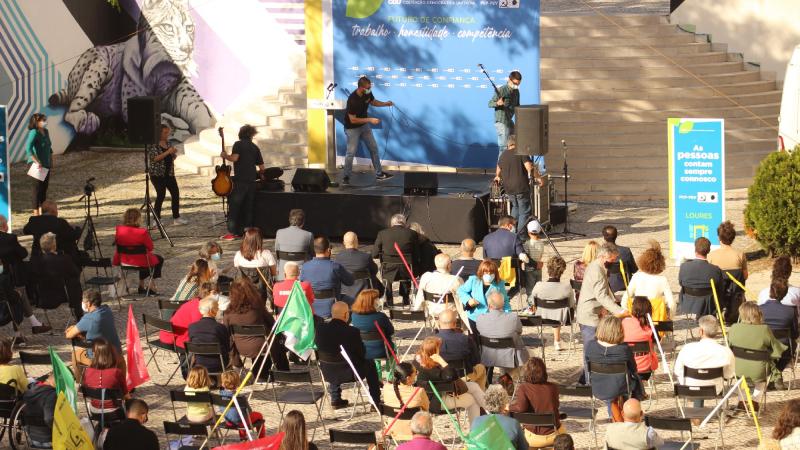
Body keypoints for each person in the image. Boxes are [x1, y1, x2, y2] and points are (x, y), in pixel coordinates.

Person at [315, 301, 381, 407]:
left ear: (332, 314)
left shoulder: (320, 329)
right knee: (370, 362)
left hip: (327, 372)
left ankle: (335, 398)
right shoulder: (352, 332)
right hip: (349, 373)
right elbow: (361, 354)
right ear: (346, 315)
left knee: (332, 359)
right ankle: (375, 401)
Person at [224, 277, 288, 377]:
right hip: (262, 346)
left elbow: (226, 334)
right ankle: (283, 371)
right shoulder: (257, 308)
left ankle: (260, 373)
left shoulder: (228, 312)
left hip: (241, 347)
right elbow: (273, 324)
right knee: (277, 336)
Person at [413, 336, 484, 425]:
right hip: (436, 402)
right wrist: (442, 361)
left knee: (474, 386)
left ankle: (491, 409)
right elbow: (452, 376)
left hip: (431, 396)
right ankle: (478, 428)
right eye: (439, 348)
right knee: (473, 400)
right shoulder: (435, 369)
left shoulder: (417, 361)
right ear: (434, 352)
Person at [728, 301, 786, 411]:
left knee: (742, 377)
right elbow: (777, 349)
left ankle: (742, 401)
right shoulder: (764, 329)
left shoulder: (734, 328)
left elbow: (729, 346)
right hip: (759, 370)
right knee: (763, 377)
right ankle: (755, 401)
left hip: (737, 368)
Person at [583, 316, 642, 422]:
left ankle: (617, 415)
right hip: (620, 387)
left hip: (598, 387)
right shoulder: (624, 349)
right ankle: (629, 414)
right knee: (633, 381)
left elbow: (587, 366)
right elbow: (634, 368)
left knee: (616, 385)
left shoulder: (591, 347)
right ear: (619, 331)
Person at [342, 76, 394, 185]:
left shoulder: (367, 93)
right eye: (368, 88)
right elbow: (353, 119)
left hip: (364, 126)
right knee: (350, 153)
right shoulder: (352, 100)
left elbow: (373, 102)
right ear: (361, 88)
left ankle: (379, 174)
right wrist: (370, 119)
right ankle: (346, 177)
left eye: (370, 87)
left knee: (374, 148)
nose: (370, 89)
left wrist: (385, 103)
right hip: (352, 128)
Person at [673, 315, 735, 406]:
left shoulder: (687, 349)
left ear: (701, 331)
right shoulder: (726, 351)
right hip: (714, 389)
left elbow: (677, 370)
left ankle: (696, 413)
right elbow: (729, 375)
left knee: (696, 381)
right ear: (716, 332)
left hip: (690, 387)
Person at [576, 242, 627, 350]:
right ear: (603, 256)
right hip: (590, 316)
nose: (613, 262)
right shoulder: (597, 271)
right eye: (612, 260)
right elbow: (601, 295)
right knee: (591, 350)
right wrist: (620, 311)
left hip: (594, 313)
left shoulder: (596, 265)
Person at [161, 282, 215, 378]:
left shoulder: (195, 302)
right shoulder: (198, 309)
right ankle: (193, 372)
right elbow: (198, 332)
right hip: (175, 339)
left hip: (171, 334)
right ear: (211, 294)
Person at [221, 124, 264, 240]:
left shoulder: (238, 144)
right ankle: (247, 232)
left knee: (234, 207)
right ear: (251, 135)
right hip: (252, 182)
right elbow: (262, 168)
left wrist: (225, 155)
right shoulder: (255, 147)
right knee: (248, 208)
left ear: (241, 133)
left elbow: (235, 158)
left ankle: (232, 233)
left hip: (241, 181)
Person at [510, 357, 565, 447]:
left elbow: (520, 408)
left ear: (527, 372)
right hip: (554, 436)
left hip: (532, 438)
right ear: (544, 371)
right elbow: (556, 405)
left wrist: (508, 407)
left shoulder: (523, 388)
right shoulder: (553, 387)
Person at [66, 289, 124, 375]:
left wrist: (73, 328)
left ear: (88, 303)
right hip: (117, 353)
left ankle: (79, 382)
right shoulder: (107, 310)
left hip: (99, 357)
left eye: (83, 301)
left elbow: (69, 335)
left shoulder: (88, 318)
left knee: (75, 354)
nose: (82, 303)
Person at [494, 135, 541, 239]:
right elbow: (530, 167)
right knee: (524, 212)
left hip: (509, 189)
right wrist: (538, 178)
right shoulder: (521, 152)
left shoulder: (503, 155)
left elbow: (498, 172)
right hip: (521, 188)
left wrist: (497, 177)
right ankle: (521, 236)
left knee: (515, 208)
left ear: (508, 144)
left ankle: (511, 234)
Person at [476, 291, 528, 384]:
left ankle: (504, 380)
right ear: (503, 304)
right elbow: (519, 331)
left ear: (489, 305)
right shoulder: (513, 317)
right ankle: (507, 380)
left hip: (487, 357)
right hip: (510, 358)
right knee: (526, 353)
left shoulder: (480, 318)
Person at [32, 232, 83, 323]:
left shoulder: (36, 261)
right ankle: (79, 316)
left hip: (43, 296)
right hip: (63, 295)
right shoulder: (64, 259)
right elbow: (75, 273)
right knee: (74, 283)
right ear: (54, 245)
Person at [457, 259, 510, 346]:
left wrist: (507, 314)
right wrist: (468, 300)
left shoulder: (500, 283)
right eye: (486, 272)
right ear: (481, 272)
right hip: (474, 317)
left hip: (491, 317)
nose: (488, 275)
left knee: (488, 342)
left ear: (495, 273)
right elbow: (461, 291)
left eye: (491, 273)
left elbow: (505, 300)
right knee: (475, 343)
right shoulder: (473, 280)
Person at [112, 208, 164, 295]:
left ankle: (141, 285)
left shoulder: (119, 230)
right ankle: (150, 286)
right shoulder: (142, 232)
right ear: (138, 219)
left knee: (144, 258)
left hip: (124, 261)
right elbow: (150, 247)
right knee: (158, 259)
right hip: (140, 261)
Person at [300, 236, 354, 318]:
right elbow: (350, 282)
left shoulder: (305, 267)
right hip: (332, 307)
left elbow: (302, 285)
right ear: (328, 250)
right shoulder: (335, 267)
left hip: (310, 307)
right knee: (353, 301)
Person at [759, 277, 797, 390]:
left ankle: (774, 374)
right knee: (792, 345)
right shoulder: (791, 310)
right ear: (784, 294)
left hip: (763, 346)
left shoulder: (759, 309)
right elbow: (795, 334)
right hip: (783, 347)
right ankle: (777, 373)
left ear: (770, 291)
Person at [530, 256, 575, 351]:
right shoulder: (567, 287)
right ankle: (557, 341)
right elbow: (571, 305)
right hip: (561, 318)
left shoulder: (539, 285)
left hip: (541, 318)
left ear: (548, 269)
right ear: (562, 272)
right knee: (558, 311)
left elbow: (532, 302)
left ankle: (556, 341)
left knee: (551, 310)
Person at [373, 214, 419, 306]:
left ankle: (389, 300)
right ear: (404, 223)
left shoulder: (382, 233)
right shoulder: (412, 234)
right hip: (406, 271)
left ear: (392, 223)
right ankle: (406, 298)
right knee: (407, 265)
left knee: (387, 273)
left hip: (388, 270)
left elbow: (374, 254)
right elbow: (416, 254)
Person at [621, 240, 675, 317]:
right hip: (656, 317)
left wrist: (629, 313)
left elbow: (625, 298)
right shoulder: (662, 280)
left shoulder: (637, 276)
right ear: (661, 263)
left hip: (638, 315)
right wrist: (670, 316)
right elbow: (672, 303)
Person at [148, 124, 187, 226]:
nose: (167, 134)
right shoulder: (153, 144)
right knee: (161, 195)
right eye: (165, 132)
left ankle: (176, 217)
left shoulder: (168, 143)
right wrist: (168, 152)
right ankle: (156, 219)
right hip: (157, 175)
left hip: (169, 174)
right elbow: (155, 159)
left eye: (168, 132)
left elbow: (170, 157)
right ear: (159, 133)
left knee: (175, 194)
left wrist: (173, 154)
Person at [436, 309, 486, 389]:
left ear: (438, 323)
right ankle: (480, 396)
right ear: (455, 323)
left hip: (439, 378)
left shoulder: (429, 340)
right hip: (463, 377)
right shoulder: (466, 339)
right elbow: (476, 361)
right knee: (481, 367)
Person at [382, 362, 430, 440]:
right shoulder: (419, 391)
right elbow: (426, 409)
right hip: (414, 431)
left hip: (392, 429)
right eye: (415, 373)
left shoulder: (386, 388)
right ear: (408, 378)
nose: (417, 374)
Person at [678, 237, 723, 317]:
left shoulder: (684, 267)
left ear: (695, 250)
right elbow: (720, 288)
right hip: (708, 306)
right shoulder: (715, 270)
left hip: (688, 304)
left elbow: (681, 283)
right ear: (708, 251)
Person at [471, 385, 528, 449]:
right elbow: (524, 447)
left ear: (486, 401)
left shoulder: (476, 421)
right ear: (504, 402)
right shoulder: (513, 423)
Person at [81, 338, 129, 414]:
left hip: (94, 411)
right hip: (115, 411)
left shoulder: (87, 371)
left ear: (94, 355)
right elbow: (125, 395)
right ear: (111, 354)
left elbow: (86, 391)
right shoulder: (117, 372)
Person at [335, 231, 384, 302]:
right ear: (357, 242)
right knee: (373, 277)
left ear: (344, 243)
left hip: (345, 293)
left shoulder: (338, 258)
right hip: (364, 293)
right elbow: (374, 270)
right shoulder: (366, 257)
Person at [187, 296, 230, 374]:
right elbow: (227, 348)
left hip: (198, 363)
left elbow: (191, 345)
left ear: (200, 310)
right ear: (213, 311)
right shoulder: (220, 327)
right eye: (217, 308)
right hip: (219, 364)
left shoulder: (192, 327)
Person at [621, 297, 658, 383]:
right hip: (645, 369)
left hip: (626, 367)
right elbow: (654, 346)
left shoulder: (623, 324)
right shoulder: (651, 328)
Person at [414, 253, 463, 318]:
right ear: (448, 265)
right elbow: (462, 298)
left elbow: (420, 295)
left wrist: (417, 308)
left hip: (431, 311)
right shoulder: (455, 279)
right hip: (449, 313)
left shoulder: (426, 276)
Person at [218, 370, 265, 438]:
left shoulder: (220, 396)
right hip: (241, 422)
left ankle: (243, 438)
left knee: (240, 416)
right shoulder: (240, 398)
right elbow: (249, 411)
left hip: (228, 421)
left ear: (223, 383)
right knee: (258, 415)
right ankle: (261, 438)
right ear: (238, 383)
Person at [350, 289, 394, 360]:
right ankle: (388, 368)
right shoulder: (380, 316)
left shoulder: (354, 316)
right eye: (377, 299)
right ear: (371, 302)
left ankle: (378, 367)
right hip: (382, 350)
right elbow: (391, 331)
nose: (379, 301)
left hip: (363, 350)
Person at [488, 71, 522, 157]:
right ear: (509, 80)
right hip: (501, 121)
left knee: (514, 144)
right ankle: (500, 169)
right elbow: (490, 103)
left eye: (518, 84)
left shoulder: (516, 92)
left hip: (509, 120)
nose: (516, 85)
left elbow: (517, 106)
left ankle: (511, 166)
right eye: (514, 83)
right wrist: (497, 103)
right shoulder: (501, 90)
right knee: (503, 148)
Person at [25, 113, 52, 215]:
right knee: (37, 190)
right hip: (36, 165)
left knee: (44, 190)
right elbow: (28, 148)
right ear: (37, 122)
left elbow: (49, 147)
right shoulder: (34, 132)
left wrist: (50, 160)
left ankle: (44, 213)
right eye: (43, 120)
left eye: (45, 119)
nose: (45, 122)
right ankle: (36, 215)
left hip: (46, 164)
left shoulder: (46, 131)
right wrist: (37, 161)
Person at [274, 209, 314, 279]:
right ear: (303, 222)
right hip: (301, 276)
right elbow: (312, 254)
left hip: (282, 275)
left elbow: (277, 252)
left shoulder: (279, 232)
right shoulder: (308, 235)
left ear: (289, 220)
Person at [22, 373, 57, 448]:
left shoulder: (29, 391)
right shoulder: (52, 394)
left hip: (31, 436)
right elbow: (48, 419)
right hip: (48, 438)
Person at [602, 225, 638, 293]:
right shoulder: (625, 251)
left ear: (604, 237)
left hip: (606, 286)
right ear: (616, 236)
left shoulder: (599, 252)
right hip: (625, 285)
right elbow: (634, 269)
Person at [522, 220, 546, 295]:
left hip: (529, 269)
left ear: (528, 232)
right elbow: (541, 254)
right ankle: (538, 301)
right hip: (539, 267)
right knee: (538, 285)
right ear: (539, 232)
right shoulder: (541, 243)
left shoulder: (527, 243)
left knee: (530, 287)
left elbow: (525, 257)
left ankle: (531, 304)